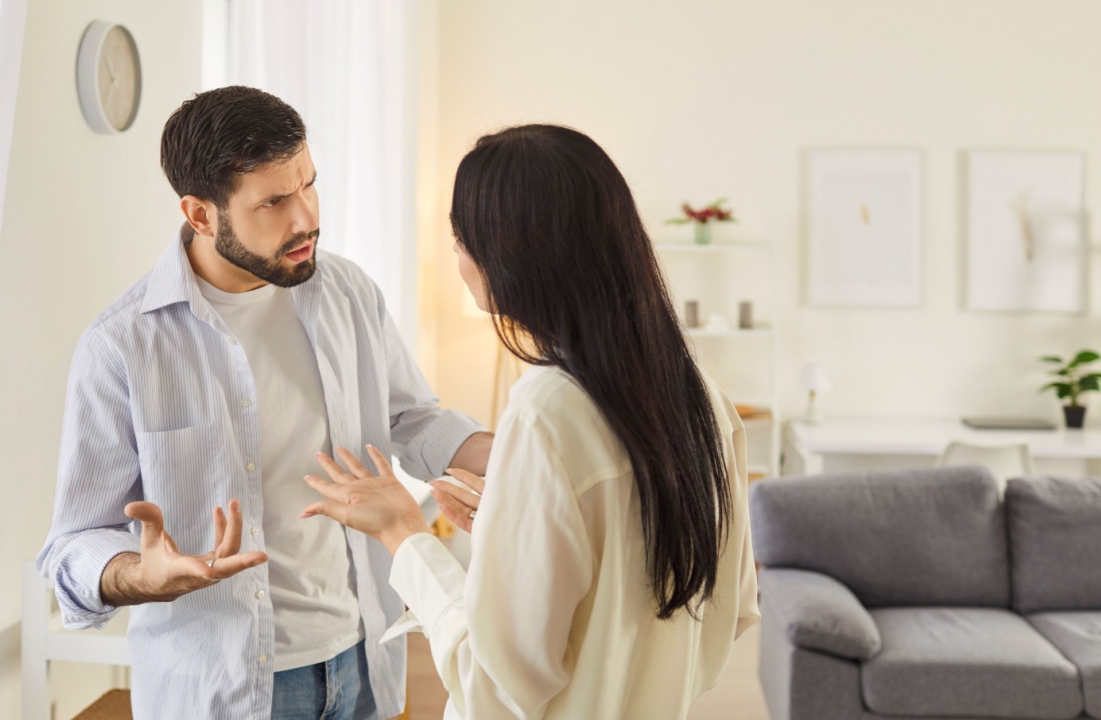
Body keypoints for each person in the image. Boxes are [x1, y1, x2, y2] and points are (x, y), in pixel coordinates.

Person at [36, 85, 493, 720]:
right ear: (200, 214)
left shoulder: (347, 292)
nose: (305, 217)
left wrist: (522, 453)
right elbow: (74, 541)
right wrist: (140, 575)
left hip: (363, 660)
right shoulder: (121, 347)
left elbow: (411, 418)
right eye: (274, 202)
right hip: (218, 689)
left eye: (308, 185)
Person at [303, 124, 759, 719]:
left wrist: (403, 533)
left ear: (505, 255)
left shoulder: (546, 411)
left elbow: (493, 688)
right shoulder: (704, 400)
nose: (458, 257)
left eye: (459, 238)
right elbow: (732, 611)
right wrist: (514, 528)